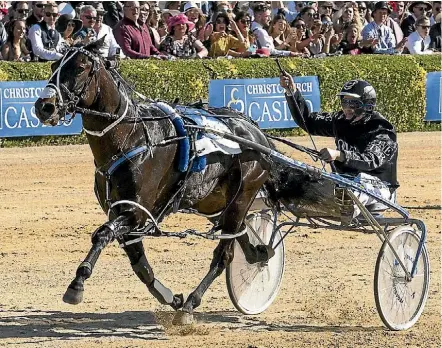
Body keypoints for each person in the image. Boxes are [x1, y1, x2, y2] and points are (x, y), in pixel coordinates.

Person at [279, 74, 399, 219]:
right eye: (344, 102)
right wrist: (292, 92)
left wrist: (339, 155)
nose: (347, 108)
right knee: (309, 177)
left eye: (353, 104)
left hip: (380, 188)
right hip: (344, 183)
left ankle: (343, 206)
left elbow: (370, 160)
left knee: (359, 182)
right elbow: (308, 121)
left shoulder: (382, 129)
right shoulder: (339, 120)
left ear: (367, 105)